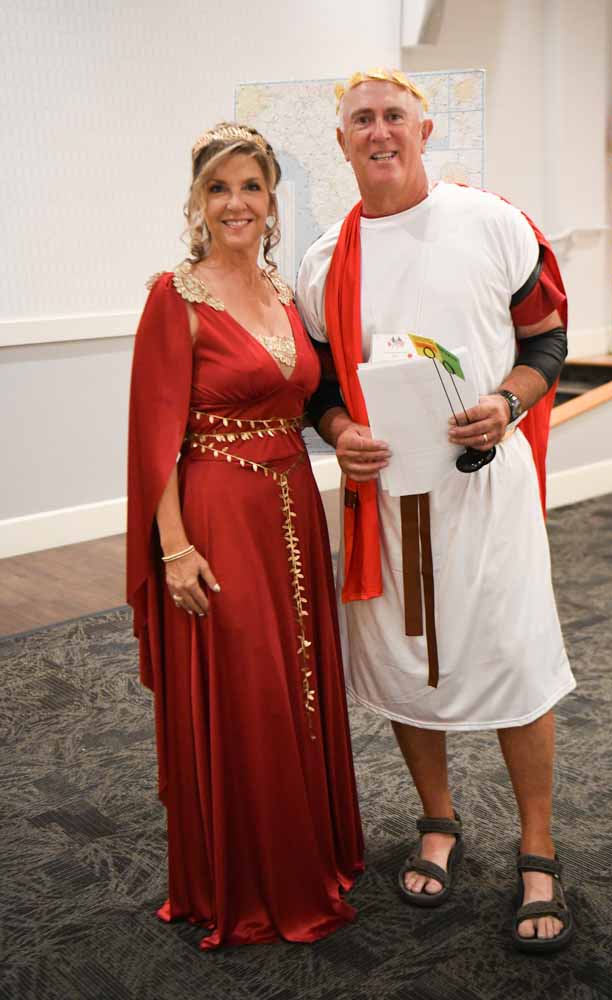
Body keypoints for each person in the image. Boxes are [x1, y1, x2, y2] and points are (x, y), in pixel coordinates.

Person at [297, 69, 576, 953]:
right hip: (390, 502)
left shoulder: (492, 223)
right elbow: (318, 389)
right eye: (361, 120)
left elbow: (546, 337)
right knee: (410, 659)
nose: (378, 132)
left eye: (393, 116)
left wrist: (507, 400)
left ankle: (537, 845)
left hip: (486, 491)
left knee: (513, 658)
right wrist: (338, 431)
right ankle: (437, 818)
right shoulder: (322, 263)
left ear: (423, 130)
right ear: (341, 141)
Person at [126, 121, 364, 950]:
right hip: (217, 513)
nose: (237, 203)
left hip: (291, 506)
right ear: (197, 202)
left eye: (251, 187)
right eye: (219, 188)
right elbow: (152, 438)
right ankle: (249, 876)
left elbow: (310, 396)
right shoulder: (176, 295)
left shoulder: (282, 292)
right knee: (248, 686)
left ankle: (308, 849)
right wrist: (174, 547)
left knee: (299, 679)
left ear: (271, 200)